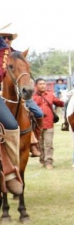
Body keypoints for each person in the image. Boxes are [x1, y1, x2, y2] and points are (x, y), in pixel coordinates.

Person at [0, 25, 45, 156]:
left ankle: (34, 141)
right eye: (4, 37)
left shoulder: (17, 54)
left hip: (20, 93)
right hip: (3, 91)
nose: (7, 40)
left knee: (38, 113)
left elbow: (25, 73)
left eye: (9, 38)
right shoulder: (1, 54)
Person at [0, 31, 24, 195]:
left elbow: (1, 72)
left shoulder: (5, 51)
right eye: (4, 37)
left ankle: (10, 171)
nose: (6, 40)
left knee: (11, 125)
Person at [32, 78, 64, 170]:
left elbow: (60, 103)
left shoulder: (50, 95)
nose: (43, 85)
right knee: (39, 144)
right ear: (36, 86)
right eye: (40, 84)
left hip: (49, 123)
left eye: (44, 84)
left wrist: (64, 99)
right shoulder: (32, 97)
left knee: (48, 144)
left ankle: (49, 162)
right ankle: (42, 161)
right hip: (37, 125)